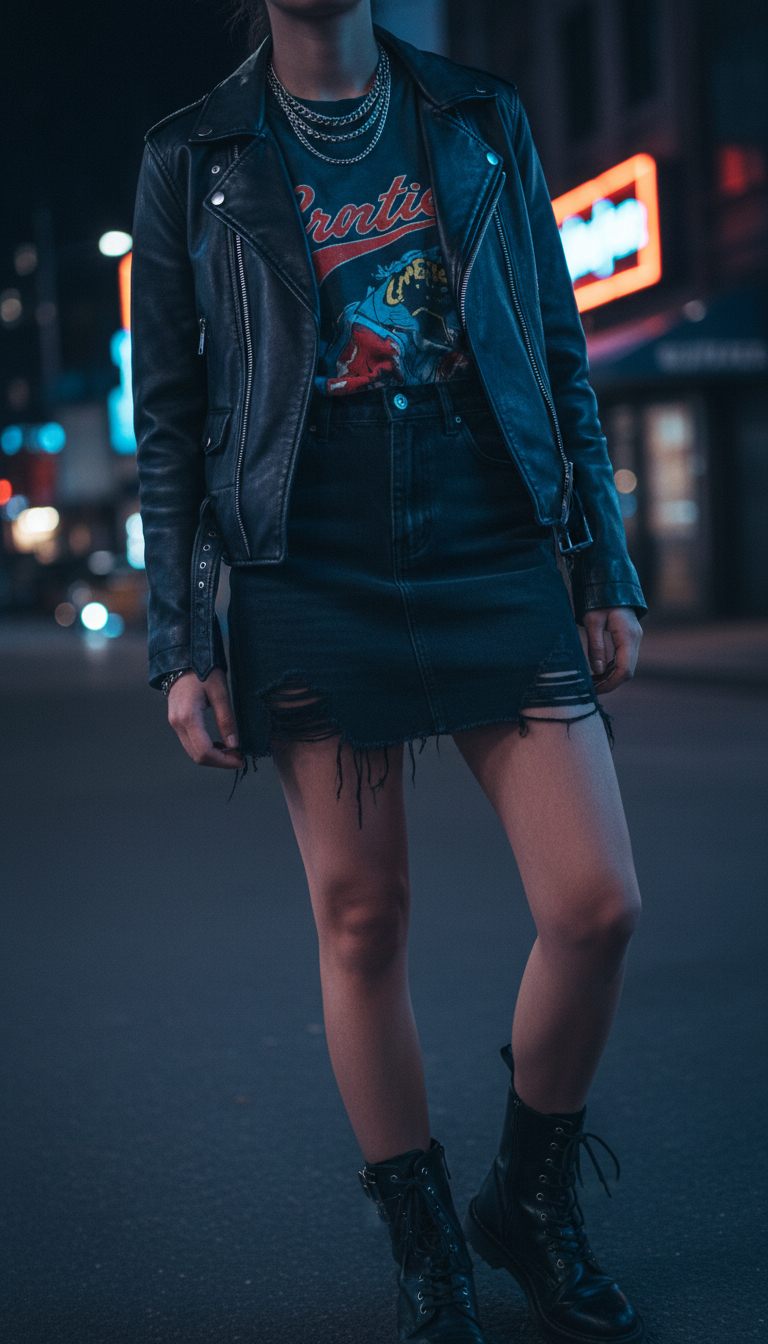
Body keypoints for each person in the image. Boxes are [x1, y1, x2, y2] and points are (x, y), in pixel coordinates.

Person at [132, 2, 647, 1340]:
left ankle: (524, 1201)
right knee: (362, 919)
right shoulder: (194, 155)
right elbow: (175, 426)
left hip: (491, 531)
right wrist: (182, 644)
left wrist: (605, 565)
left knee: (596, 903)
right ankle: (428, 1247)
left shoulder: (479, 117)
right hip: (312, 557)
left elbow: (555, 346)